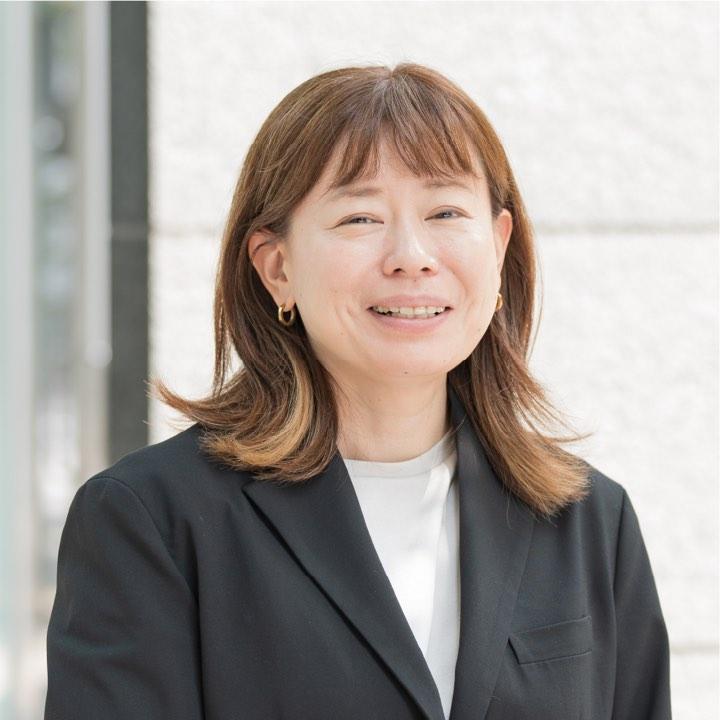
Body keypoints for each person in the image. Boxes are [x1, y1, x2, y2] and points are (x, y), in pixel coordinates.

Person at [44, 63, 672, 720]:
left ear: (498, 247)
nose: (412, 255)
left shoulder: (589, 519)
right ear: (277, 268)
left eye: (446, 211)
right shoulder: (152, 522)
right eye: (360, 217)